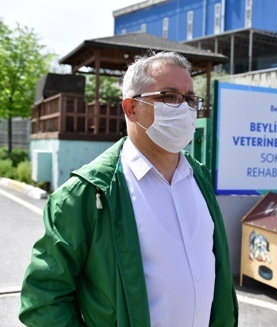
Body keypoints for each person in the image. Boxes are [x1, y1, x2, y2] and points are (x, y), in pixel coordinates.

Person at [19, 52, 238, 325]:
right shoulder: (87, 193)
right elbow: (44, 298)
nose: (184, 108)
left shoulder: (200, 178)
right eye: (169, 96)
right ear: (131, 108)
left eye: (190, 99)